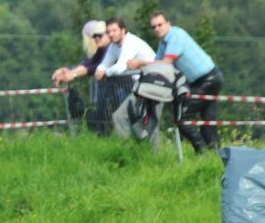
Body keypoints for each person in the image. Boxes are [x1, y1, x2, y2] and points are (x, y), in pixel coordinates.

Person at [130, 11, 224, 153]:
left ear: (168, 23)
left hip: (207, 80)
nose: (157, 29)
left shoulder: (175, 36)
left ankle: (202, 151)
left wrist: (139, 63)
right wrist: (141, 65)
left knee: (183, 119)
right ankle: (215, 153)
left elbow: (166, 63)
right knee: (208, 120)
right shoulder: (164, 42)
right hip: (205, 80)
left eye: (160, 25)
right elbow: (157, 63)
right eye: (153, 27)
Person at [51, 20, 111, 85]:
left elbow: (97, 66)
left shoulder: (111, 49)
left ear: (108, 34)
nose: (96, 38)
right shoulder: (101, 50)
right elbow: (88, 64)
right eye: (94, 36)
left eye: (100, 35)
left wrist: (73, 74)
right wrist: (68, 71)